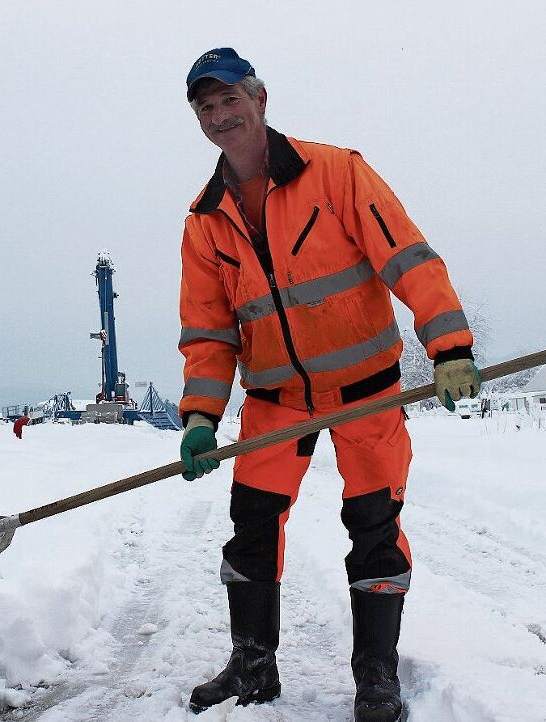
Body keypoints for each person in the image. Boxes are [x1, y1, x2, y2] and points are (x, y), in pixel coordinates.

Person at [177, 48, 480, 720]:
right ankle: (252, 668)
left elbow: (408, 258)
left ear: (260, 98)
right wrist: (200, 417)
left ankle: (377, 678)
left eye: (230, 100)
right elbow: (208, 334)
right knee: (250, 527)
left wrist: (450, 345)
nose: (221, 116)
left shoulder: (336, 173)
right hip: (275, 403)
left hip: (365, 390)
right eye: (207, 107)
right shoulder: (205, 220)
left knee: (374, 526)